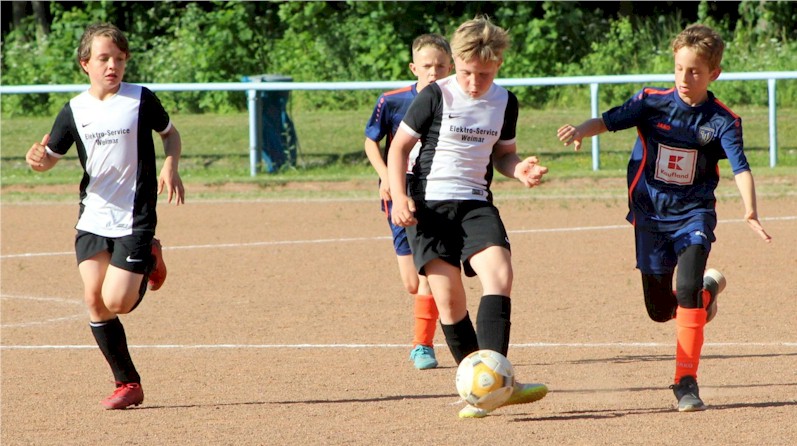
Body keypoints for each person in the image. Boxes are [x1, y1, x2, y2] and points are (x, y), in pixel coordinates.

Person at [557, 23, 771, 412]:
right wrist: (581, 131)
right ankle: (707, 294)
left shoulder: (723, 120)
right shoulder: (651, 102)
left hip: (694, 214)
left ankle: (685, 382)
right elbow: (605, 120)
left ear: (714, 73)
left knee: (685, 290)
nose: (685, 78)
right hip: (651, 215)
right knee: (659, 311)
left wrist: (750, 209)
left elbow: (740, 167)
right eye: (679, 69)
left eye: (695, 71)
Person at [388, 16, 549, 418]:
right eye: (465, 73)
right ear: (456, 63)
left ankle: (497, 383)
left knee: (501, 275)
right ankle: (481, 389)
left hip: (476, 203)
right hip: (429, 206)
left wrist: (519, 169)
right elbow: (399, 148)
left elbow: (504, 154)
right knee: (449, 300)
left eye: (484, 74)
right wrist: (400, 196)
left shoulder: (505, 102)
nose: (474, 83)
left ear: (498, 65)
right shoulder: (435, 95)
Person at [25, 23, 185, 410]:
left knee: (118, 302)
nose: (112, 65)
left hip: (134, 216)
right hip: (93, 216)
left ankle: (148, 258)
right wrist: (37, 161)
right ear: (85, 64)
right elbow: (48, 160)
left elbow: (170, 133)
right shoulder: (74, 111)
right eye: (103, 58)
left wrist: (171, 165)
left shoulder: (140, 99)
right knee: (94, 300)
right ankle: (127, 383)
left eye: (119, 59)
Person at [364, 33, 452, 370]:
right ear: (414, 67)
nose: (434, 72)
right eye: (427, 66)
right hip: (399, 193)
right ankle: (429, 324)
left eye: (440, 66)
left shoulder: (456, 100)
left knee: (430, 270)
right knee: (413, 283)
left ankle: (422, 345)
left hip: (437, 194)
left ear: (450, 66)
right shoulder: (393, 101)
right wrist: (387, 176)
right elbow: (371, 141)